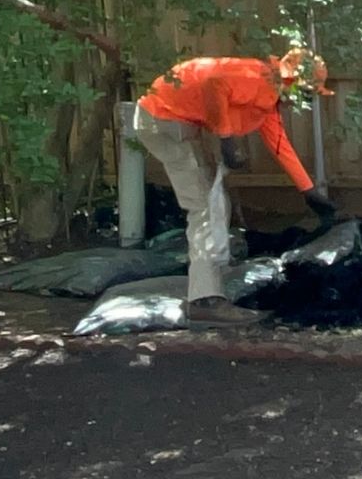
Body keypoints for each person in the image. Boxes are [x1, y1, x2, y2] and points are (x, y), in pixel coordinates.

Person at [134, 49, 337, 326]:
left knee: (215, 201)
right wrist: (226, 138)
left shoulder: (268, 98)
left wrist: (309, 191)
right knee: (205, 205)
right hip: (163, 120)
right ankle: (205, 302)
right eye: (306, 93)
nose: (303, 101)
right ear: (292, 81)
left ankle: (207, 292)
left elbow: (279, 144)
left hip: (171, 122)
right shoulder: (257, 76)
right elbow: (213, 85)